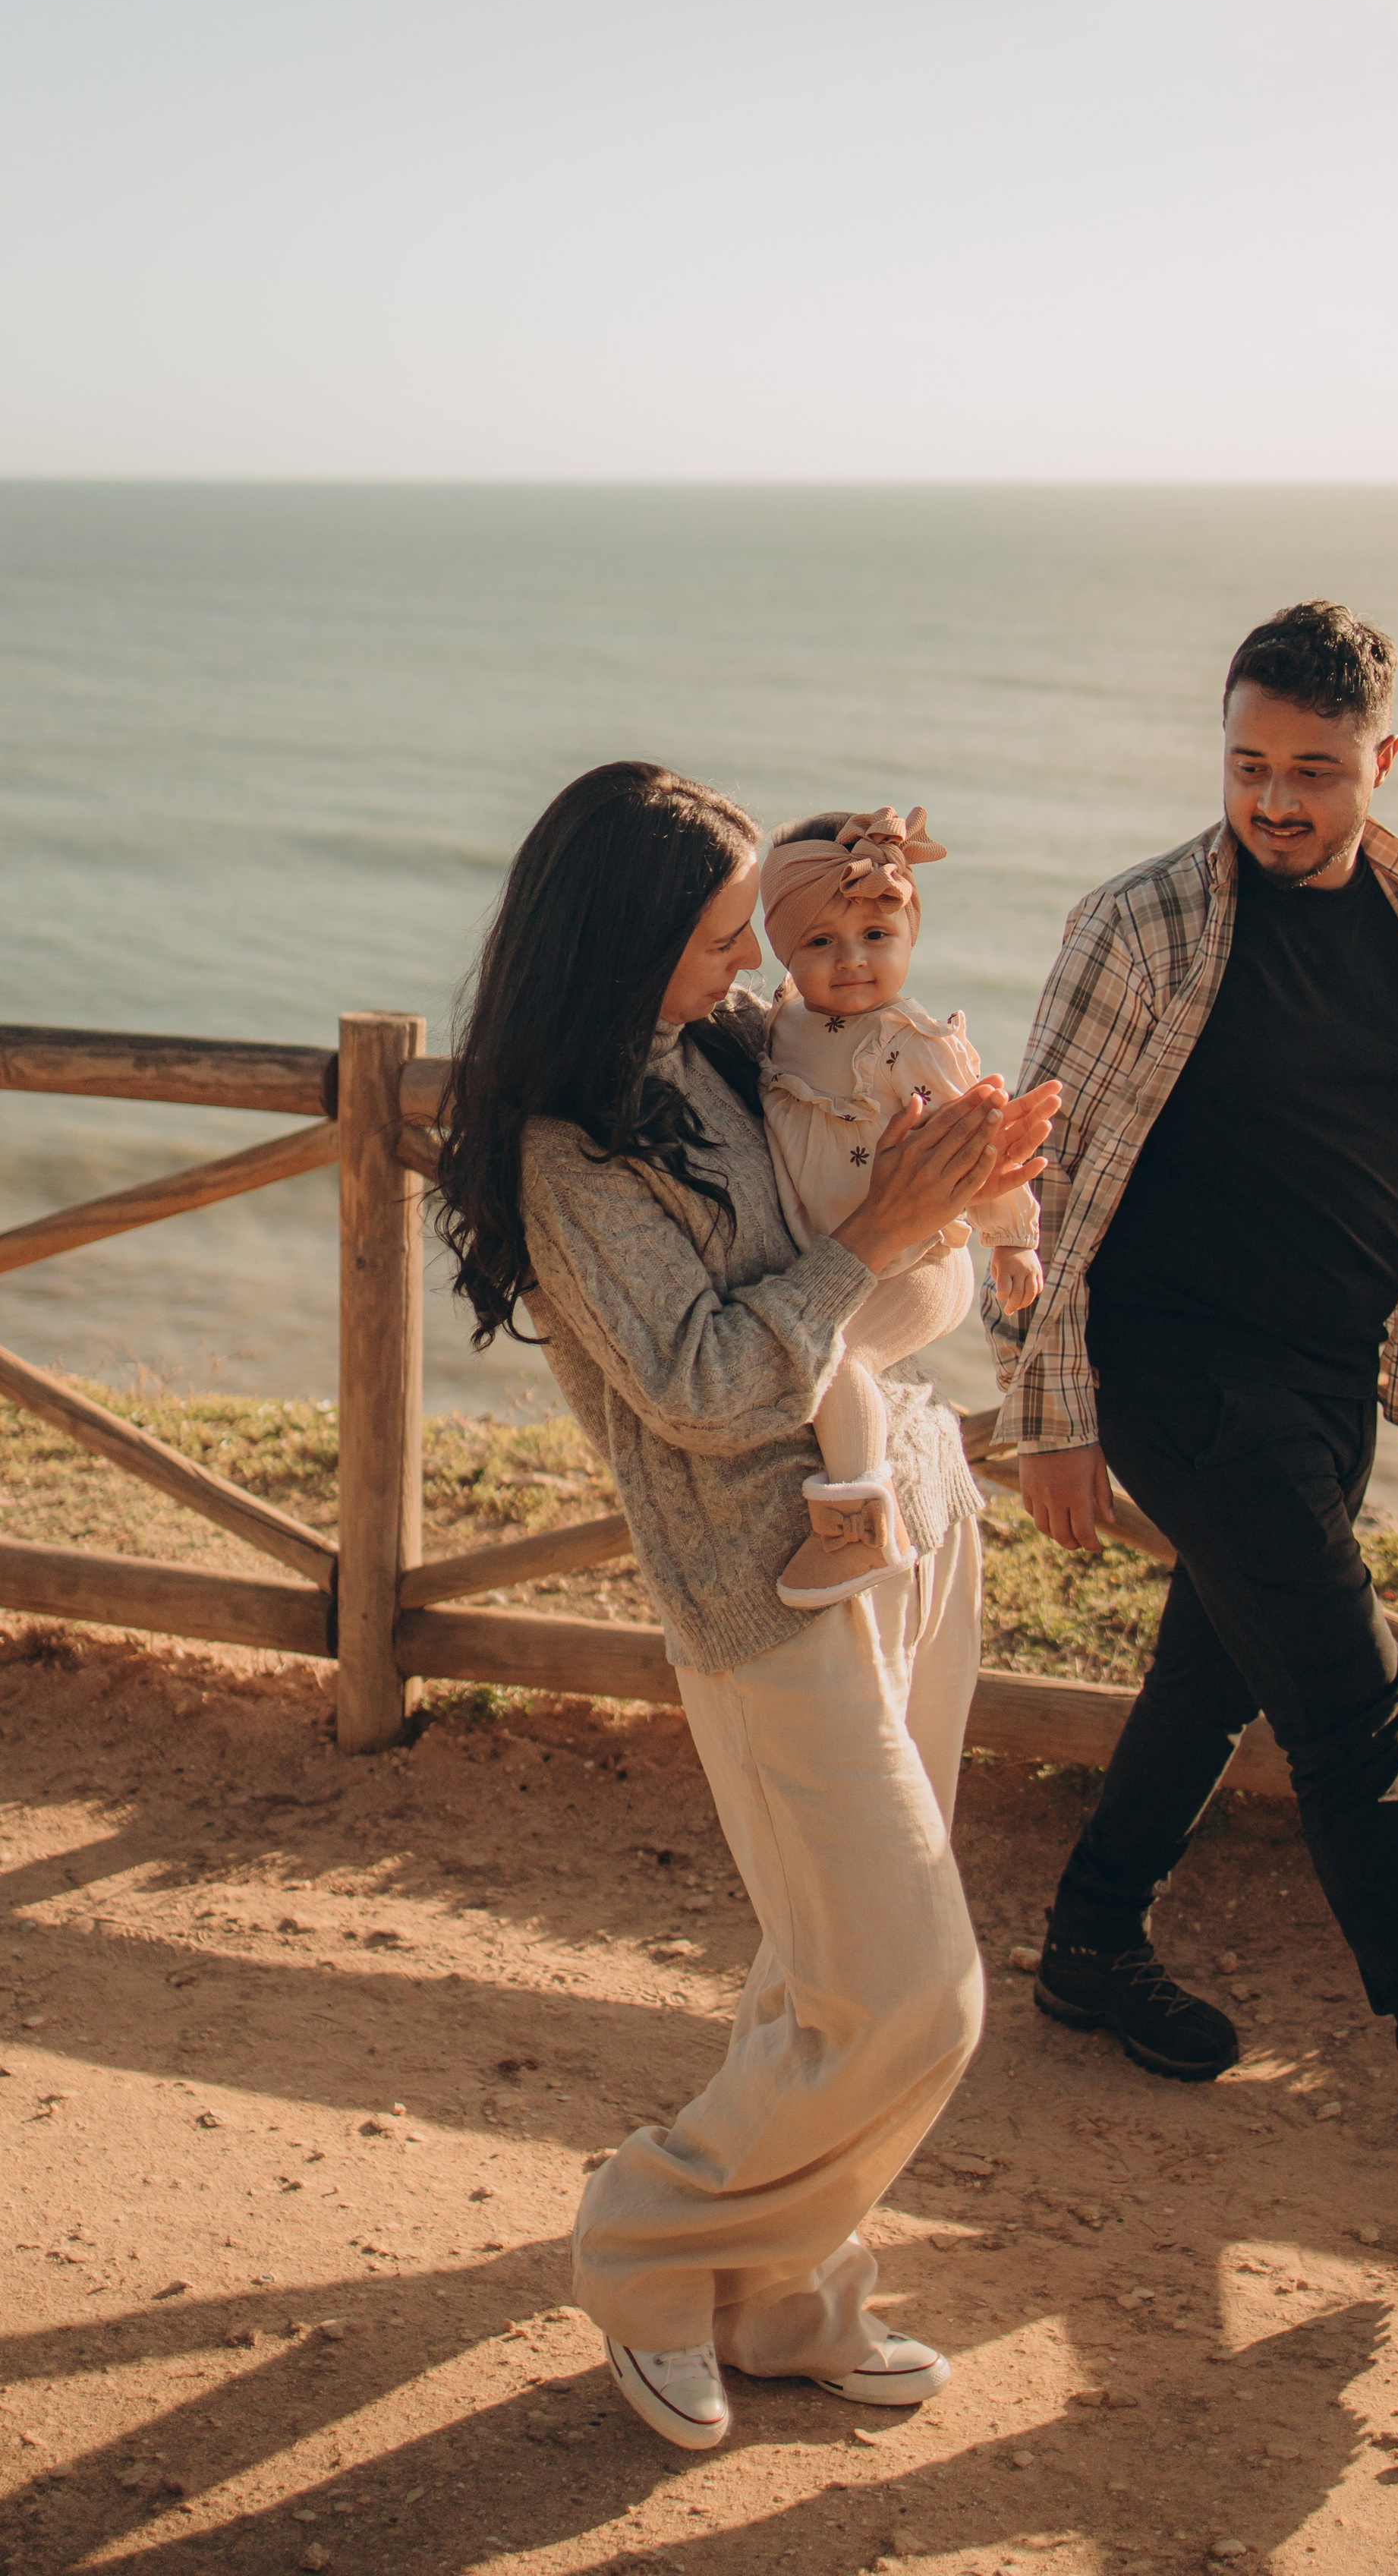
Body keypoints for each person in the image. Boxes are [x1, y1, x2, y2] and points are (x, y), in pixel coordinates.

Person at [986, 604, 1398, 2236]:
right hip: (1169, 1366)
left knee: (1210, 1669)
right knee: (1348, 1710)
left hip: (1325, 1379)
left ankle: (1087, 1946)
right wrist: (1051, 1409)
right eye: (1245, 766)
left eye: (1309, 770)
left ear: (1379, 760)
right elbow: (1039, 1189)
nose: (1272, 801)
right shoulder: (1139, 925)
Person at [435, 760, 1056, 2451]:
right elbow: (704, 1384)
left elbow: (872, 1201)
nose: (748, 972)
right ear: (620, 945)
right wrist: (887, 1239)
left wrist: (962, 1168)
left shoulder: (727, 1059)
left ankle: (787, 2295)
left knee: (821, 1975)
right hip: (761, 1586)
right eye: (717, 942)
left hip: (908, 1515)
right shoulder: (569, 1153)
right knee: (919, 1990)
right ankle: (644, 2244)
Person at [758, 802, 1042, 1606]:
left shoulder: (905, 1045)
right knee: (818, 1338)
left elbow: (981, 1139)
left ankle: (856, 1526)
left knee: (832, 1354)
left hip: (918, 1259)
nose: (852, 961)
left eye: (877, 937)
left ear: (909, 937)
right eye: (821, 942)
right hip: (846, 1251)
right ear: (785, 949)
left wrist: (1013, 1240)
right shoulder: (784, 1024)